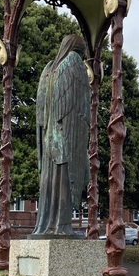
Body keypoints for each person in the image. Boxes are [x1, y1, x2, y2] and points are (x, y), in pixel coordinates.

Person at [31, 34, 91, 237]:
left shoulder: (48, 70)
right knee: (64, 181)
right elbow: (80, 110)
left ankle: (45, 225)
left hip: (49, 141)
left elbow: (41, 113)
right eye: (81, 52)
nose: (81, 57)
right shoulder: (74, 62)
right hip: (65, 137)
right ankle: (61, 225)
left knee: (49, 184)